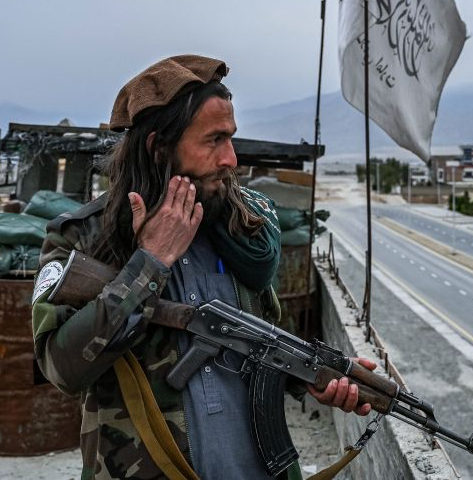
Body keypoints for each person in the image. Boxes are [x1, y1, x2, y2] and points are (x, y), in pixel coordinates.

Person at [31, 55, 376, 480]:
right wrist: (149, 263)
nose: (231, 158)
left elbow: (252, 344)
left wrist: (310, 376)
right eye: (214, 140)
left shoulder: (238, 229)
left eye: (231, 137)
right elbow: (61, 368)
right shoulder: (80, 238)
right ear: (159, 148)